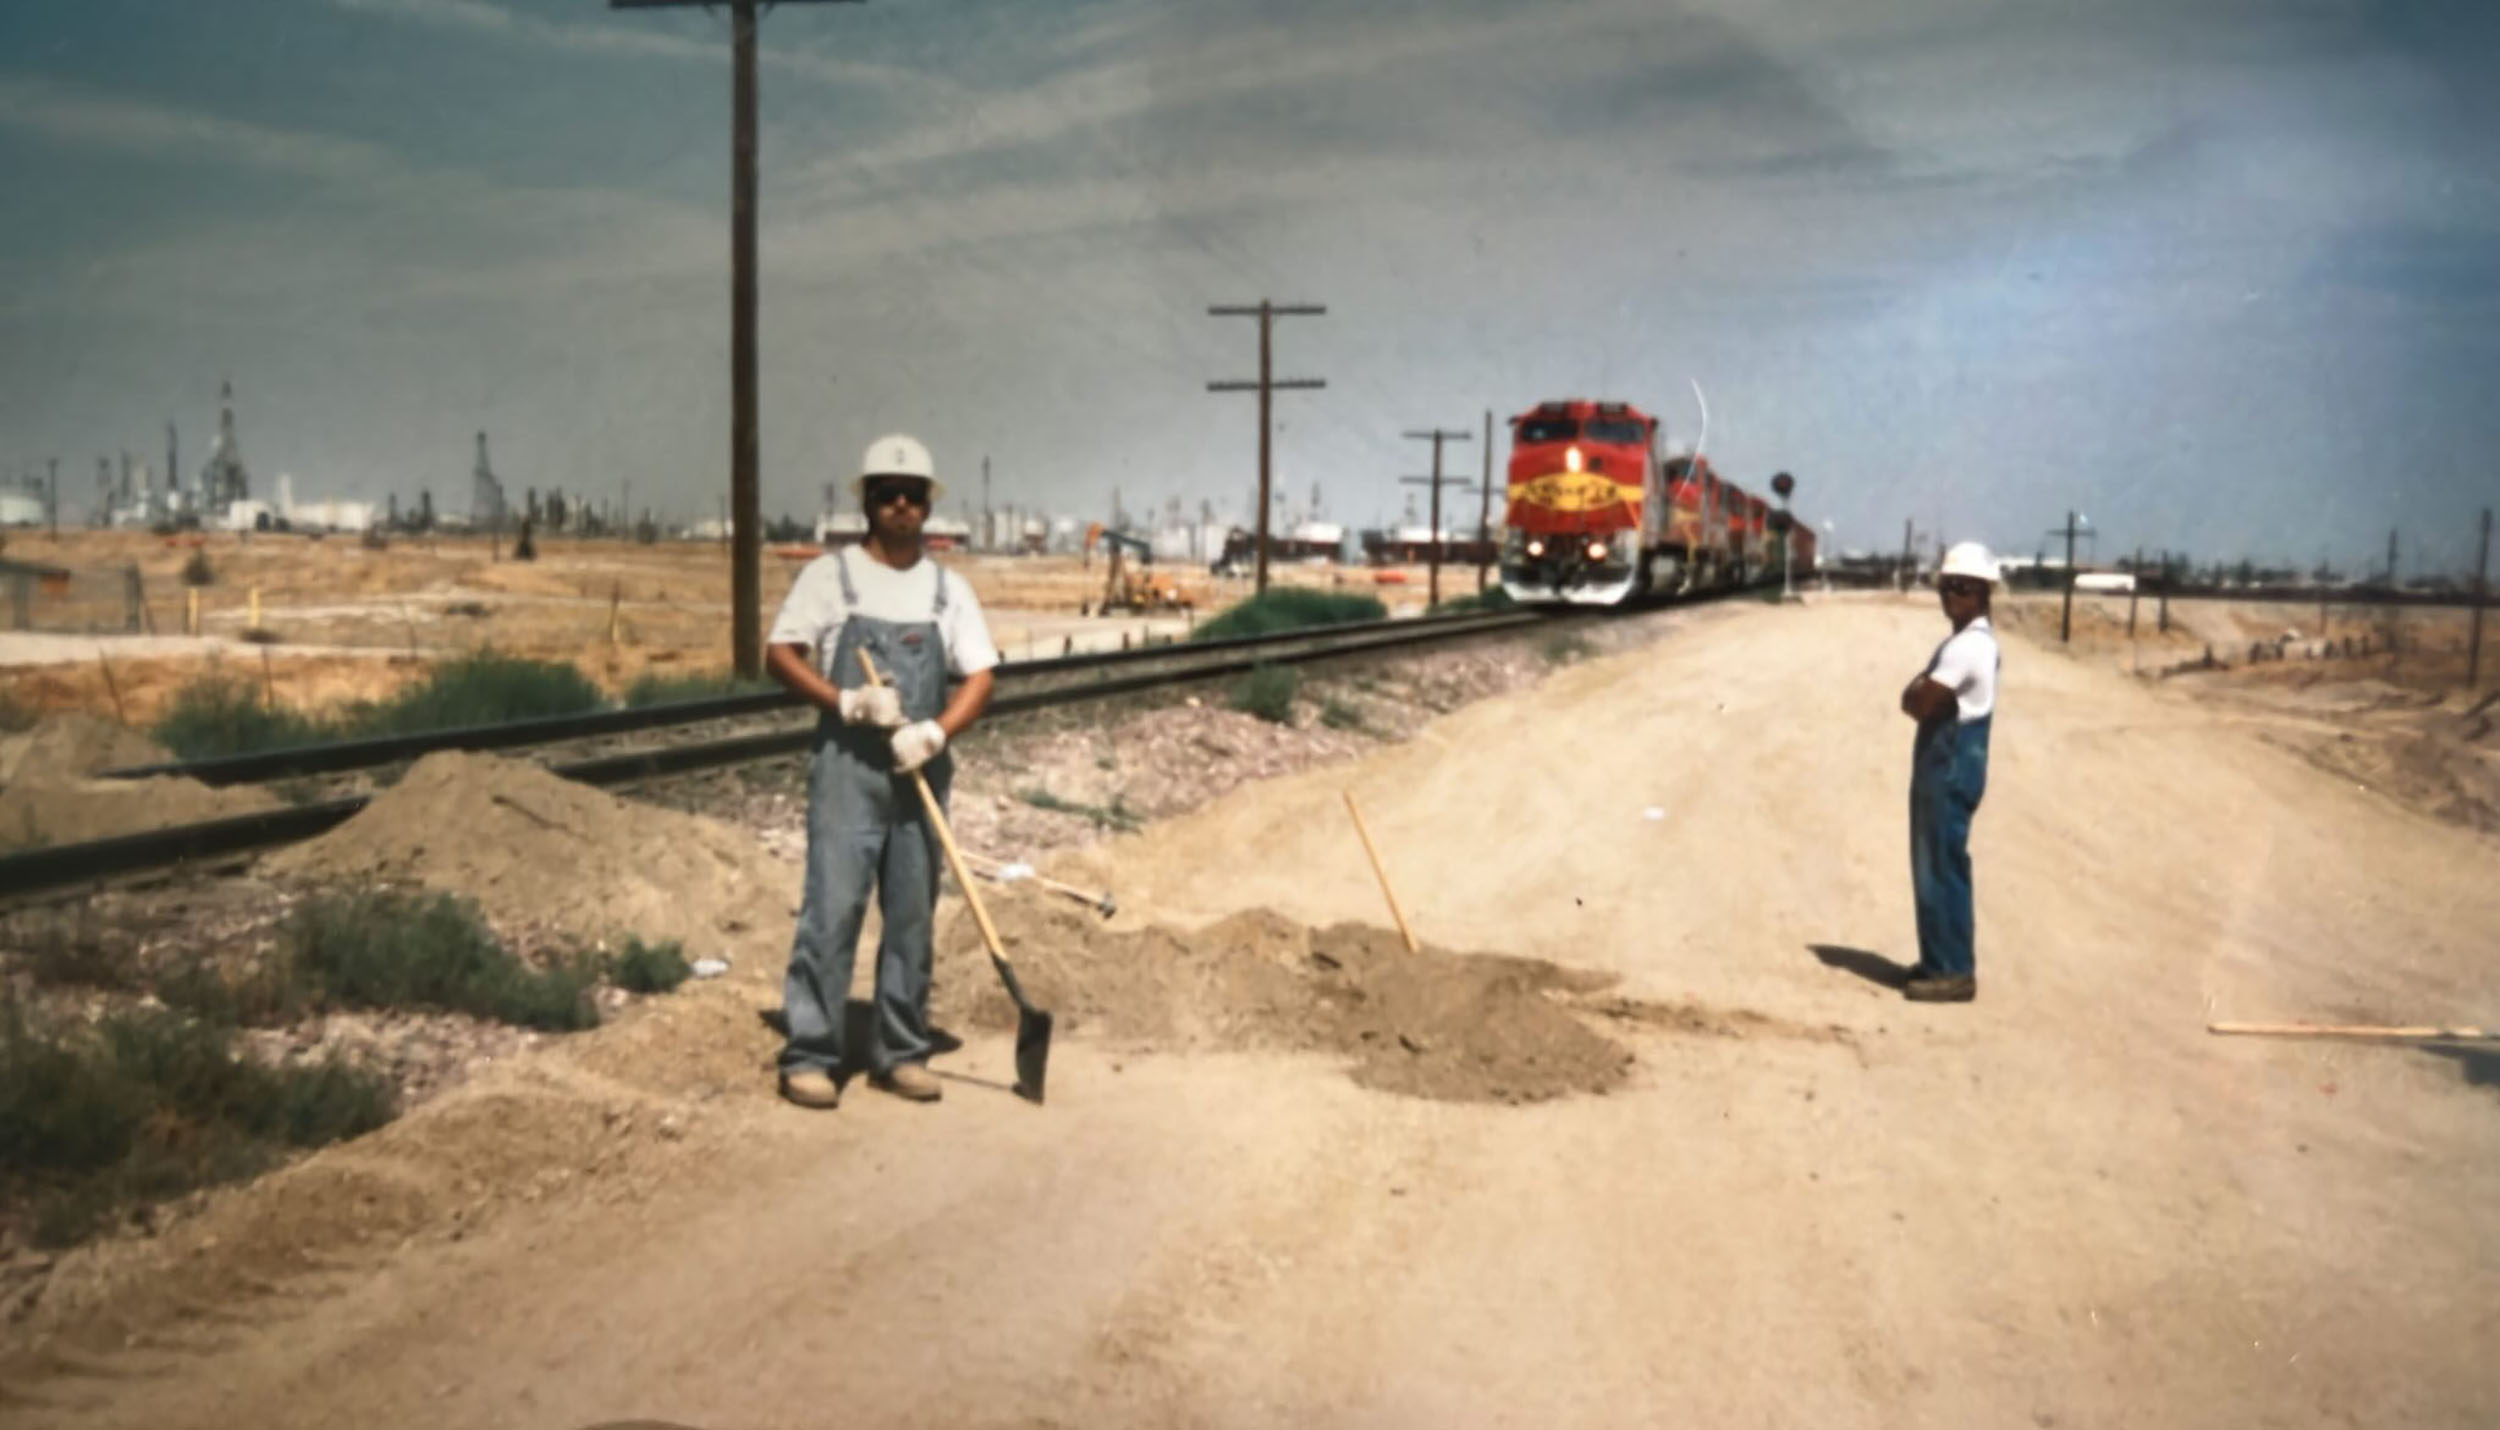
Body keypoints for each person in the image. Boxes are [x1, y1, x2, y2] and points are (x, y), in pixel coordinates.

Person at [765, 434, 999, 1108]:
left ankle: (900, 1051)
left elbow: (981, 676)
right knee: (833, 909)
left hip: (919, 768)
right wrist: (845, 700)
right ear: (867, 502)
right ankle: (811, 1054)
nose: (900, 505)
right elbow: (780, 654)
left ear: (927, 505)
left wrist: (936, 731)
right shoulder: (829, 577)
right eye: (887, 494)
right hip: (849, 767)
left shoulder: (947, 590)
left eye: (912, 495)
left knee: (912, 916)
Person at [1896, 541, 2002, 1003]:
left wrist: (1921, 689)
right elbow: (1919, 696)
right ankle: (1939, 959)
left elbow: (1918, 702)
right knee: (1936, 863)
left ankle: (1952, 970)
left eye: (1962, 587)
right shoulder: (1967, 643)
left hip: (1949, 766)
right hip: (1949, 763)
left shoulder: (1967, 648)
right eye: (1946, 586)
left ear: (1983, 592)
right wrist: (1922, 691)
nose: (1951, 595)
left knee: (1940, 865)